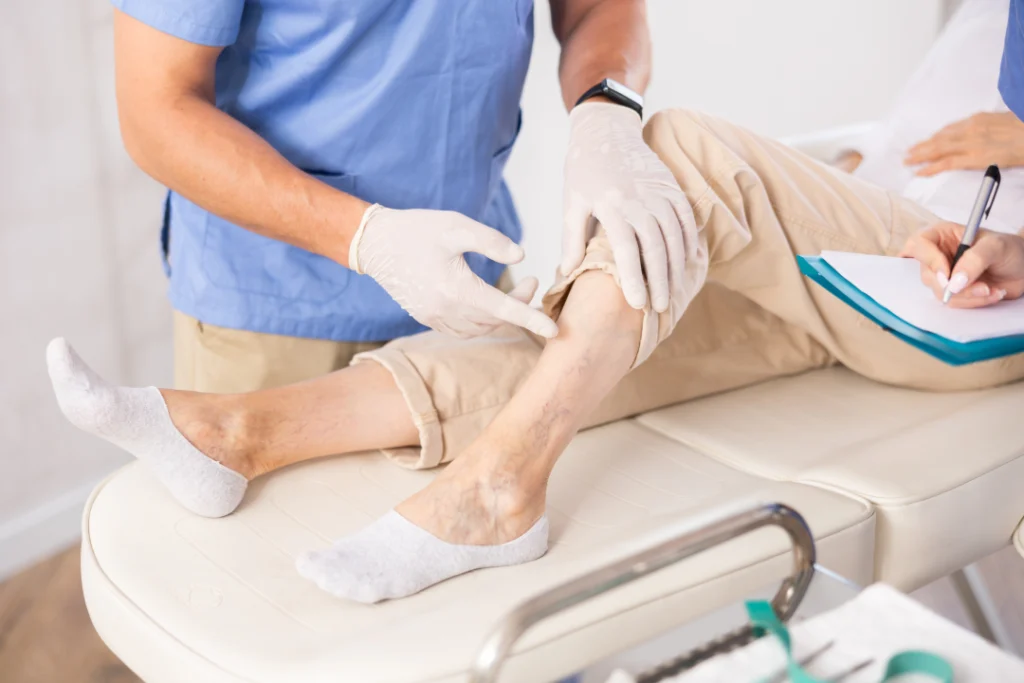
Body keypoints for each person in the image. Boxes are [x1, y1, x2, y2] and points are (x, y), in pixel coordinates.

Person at [48, 108, 1024, 604]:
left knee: (679, 149)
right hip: (905, 254)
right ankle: (237, 432)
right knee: (634, 290)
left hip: (981, 299)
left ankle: (498, 488)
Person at [112, 0, 690, 393]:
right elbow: (155, 109)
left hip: (473, 286)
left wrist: (606, 111)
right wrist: (369, 239)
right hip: (273, 310)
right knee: (268, 556)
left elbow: (599, 7)